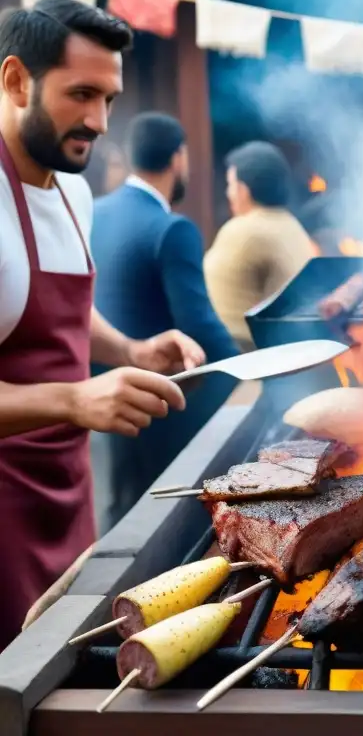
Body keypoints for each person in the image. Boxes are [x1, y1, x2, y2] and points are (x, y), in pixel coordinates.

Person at [0, 0, 205, 650]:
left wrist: (132, 350)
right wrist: (77, 398)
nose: (98, 121)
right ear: (15, 81)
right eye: (80, 94)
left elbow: (59, 309)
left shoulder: (75, 191)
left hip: (66, 487)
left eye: (109, 99)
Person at [90, 111, 239, 534]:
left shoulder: (94, 212)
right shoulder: (171, 228)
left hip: (104, 403)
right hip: (164, 413)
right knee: (169, 537)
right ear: (178, 158)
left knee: (118, 525)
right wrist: (252, 376)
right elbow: (199, 328)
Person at [204, 141, 317, 350]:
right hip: (294, 355)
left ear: (243, 190)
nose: (228, 194)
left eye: (230, 185)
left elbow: (209, 310)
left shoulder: (243, 231)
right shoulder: (292, 227)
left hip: (249, 366)